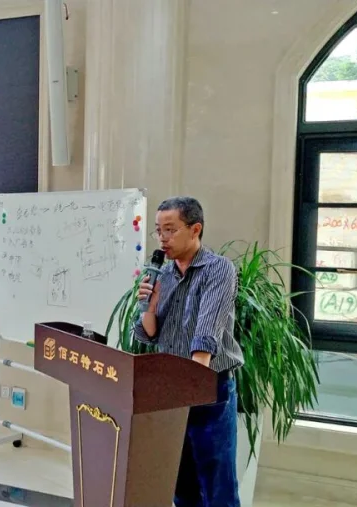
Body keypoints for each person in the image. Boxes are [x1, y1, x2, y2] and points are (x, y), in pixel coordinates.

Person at [134, 196, 243, 507]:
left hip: (208, 388)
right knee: (180, 483)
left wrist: (189, 388)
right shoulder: (163, 274)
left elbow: (205, 336)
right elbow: (148, 334)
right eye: (158, 231)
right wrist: (150, 306)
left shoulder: (218, 269)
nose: (162, 238)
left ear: (195, 229)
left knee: (217, 484)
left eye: (170, 230)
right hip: (171, 390)